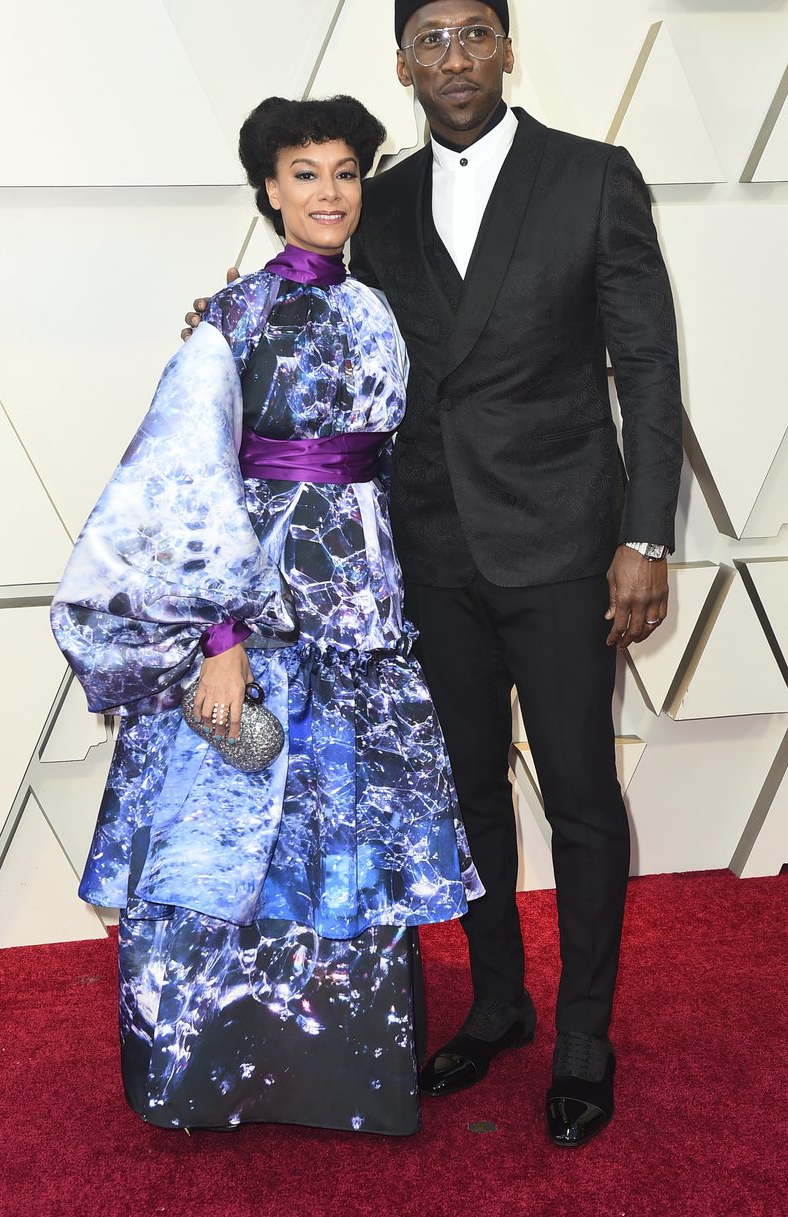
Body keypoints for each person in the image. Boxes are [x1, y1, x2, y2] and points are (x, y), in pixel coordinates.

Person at [185, 0, 682, 1149]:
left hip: (566, 547)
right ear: (402, 64)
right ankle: (502, 1004)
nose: (452, 56)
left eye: (471, 33)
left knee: (578, 797)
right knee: (462, 798)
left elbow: (650, 370)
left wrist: (648, 538)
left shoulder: (594, 176)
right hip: (425, 558)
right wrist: (220, 319)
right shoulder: (379, 197)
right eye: (427, 40)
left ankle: (582, 1037)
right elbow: (316, 297)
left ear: (506, 46)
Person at [52, 93, 482, 1137]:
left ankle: (338, 1077)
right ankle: (205, 1071)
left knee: (336, 834)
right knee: (226, 837)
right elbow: (183, 486)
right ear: (266, 190)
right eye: (304, 173)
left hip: (361, 614)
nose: (328, 192)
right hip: (259, 621)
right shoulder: (231, 322)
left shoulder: (372, 306)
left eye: (344, 172)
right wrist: (219, 641)